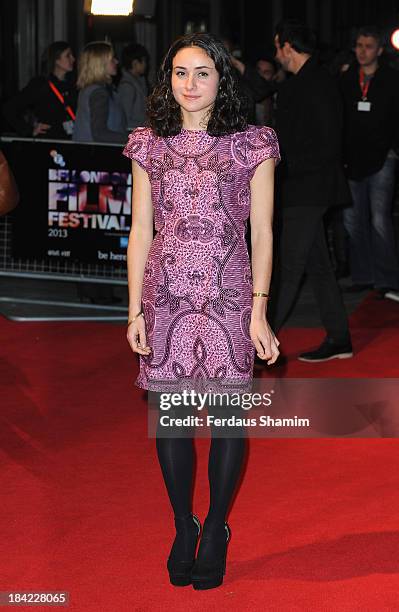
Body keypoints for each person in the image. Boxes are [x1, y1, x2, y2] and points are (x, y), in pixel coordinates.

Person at [123, 32, 280, 589]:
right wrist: (135, 308)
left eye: (203, 73)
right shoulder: (149, 145)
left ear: (222, 80)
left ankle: (216, 526)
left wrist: (260, 311)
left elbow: (262, 232)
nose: (190, 85)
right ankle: (182, 524)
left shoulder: (252, 144)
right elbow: (141, 231)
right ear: (168, 80)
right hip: (166, 296)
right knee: (174, 420)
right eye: (180, 73)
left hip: (230, 293)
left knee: (228, 420)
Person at [269, 19, 353, 363]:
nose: (276, 55)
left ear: (288, 46)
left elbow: (327, 141)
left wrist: (284, 168)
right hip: (306, 187)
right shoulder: (306, 82)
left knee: (288, 267)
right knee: (317, 266)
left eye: (277, 47)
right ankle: (340, 338)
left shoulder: (314, 83)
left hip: (307, 189)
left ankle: (260, 342)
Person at [340, 26, 399, 300]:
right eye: (359, 45)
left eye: (368, 46)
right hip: (353, 158)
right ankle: (363, 275)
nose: (362, 51)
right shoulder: (347, 77)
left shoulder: (391, 78)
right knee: (353, 220)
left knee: (379, 219)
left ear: (379, 50)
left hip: (383, 157)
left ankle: (386, 278)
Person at [2, 41, 77, 139]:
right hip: (49, 143)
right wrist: (28, 130)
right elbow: (9, 108)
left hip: (71, 140)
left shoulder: (74, 83)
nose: (73, 59)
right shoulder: (40, 84)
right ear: (56, 60)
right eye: (68, 56)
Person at [73, 41, 126, 143]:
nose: (116, 62)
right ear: (100, 64)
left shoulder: (91, 90)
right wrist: (137, 140)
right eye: (112, 59)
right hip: (97, 155)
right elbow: (100, 134)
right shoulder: (98, 93)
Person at [118, 43, 149, 131]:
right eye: (143, 61)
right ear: (135, 63)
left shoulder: (139, 82)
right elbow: (125, 118)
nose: (145, 64)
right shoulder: (127, 86)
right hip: (132, 133)